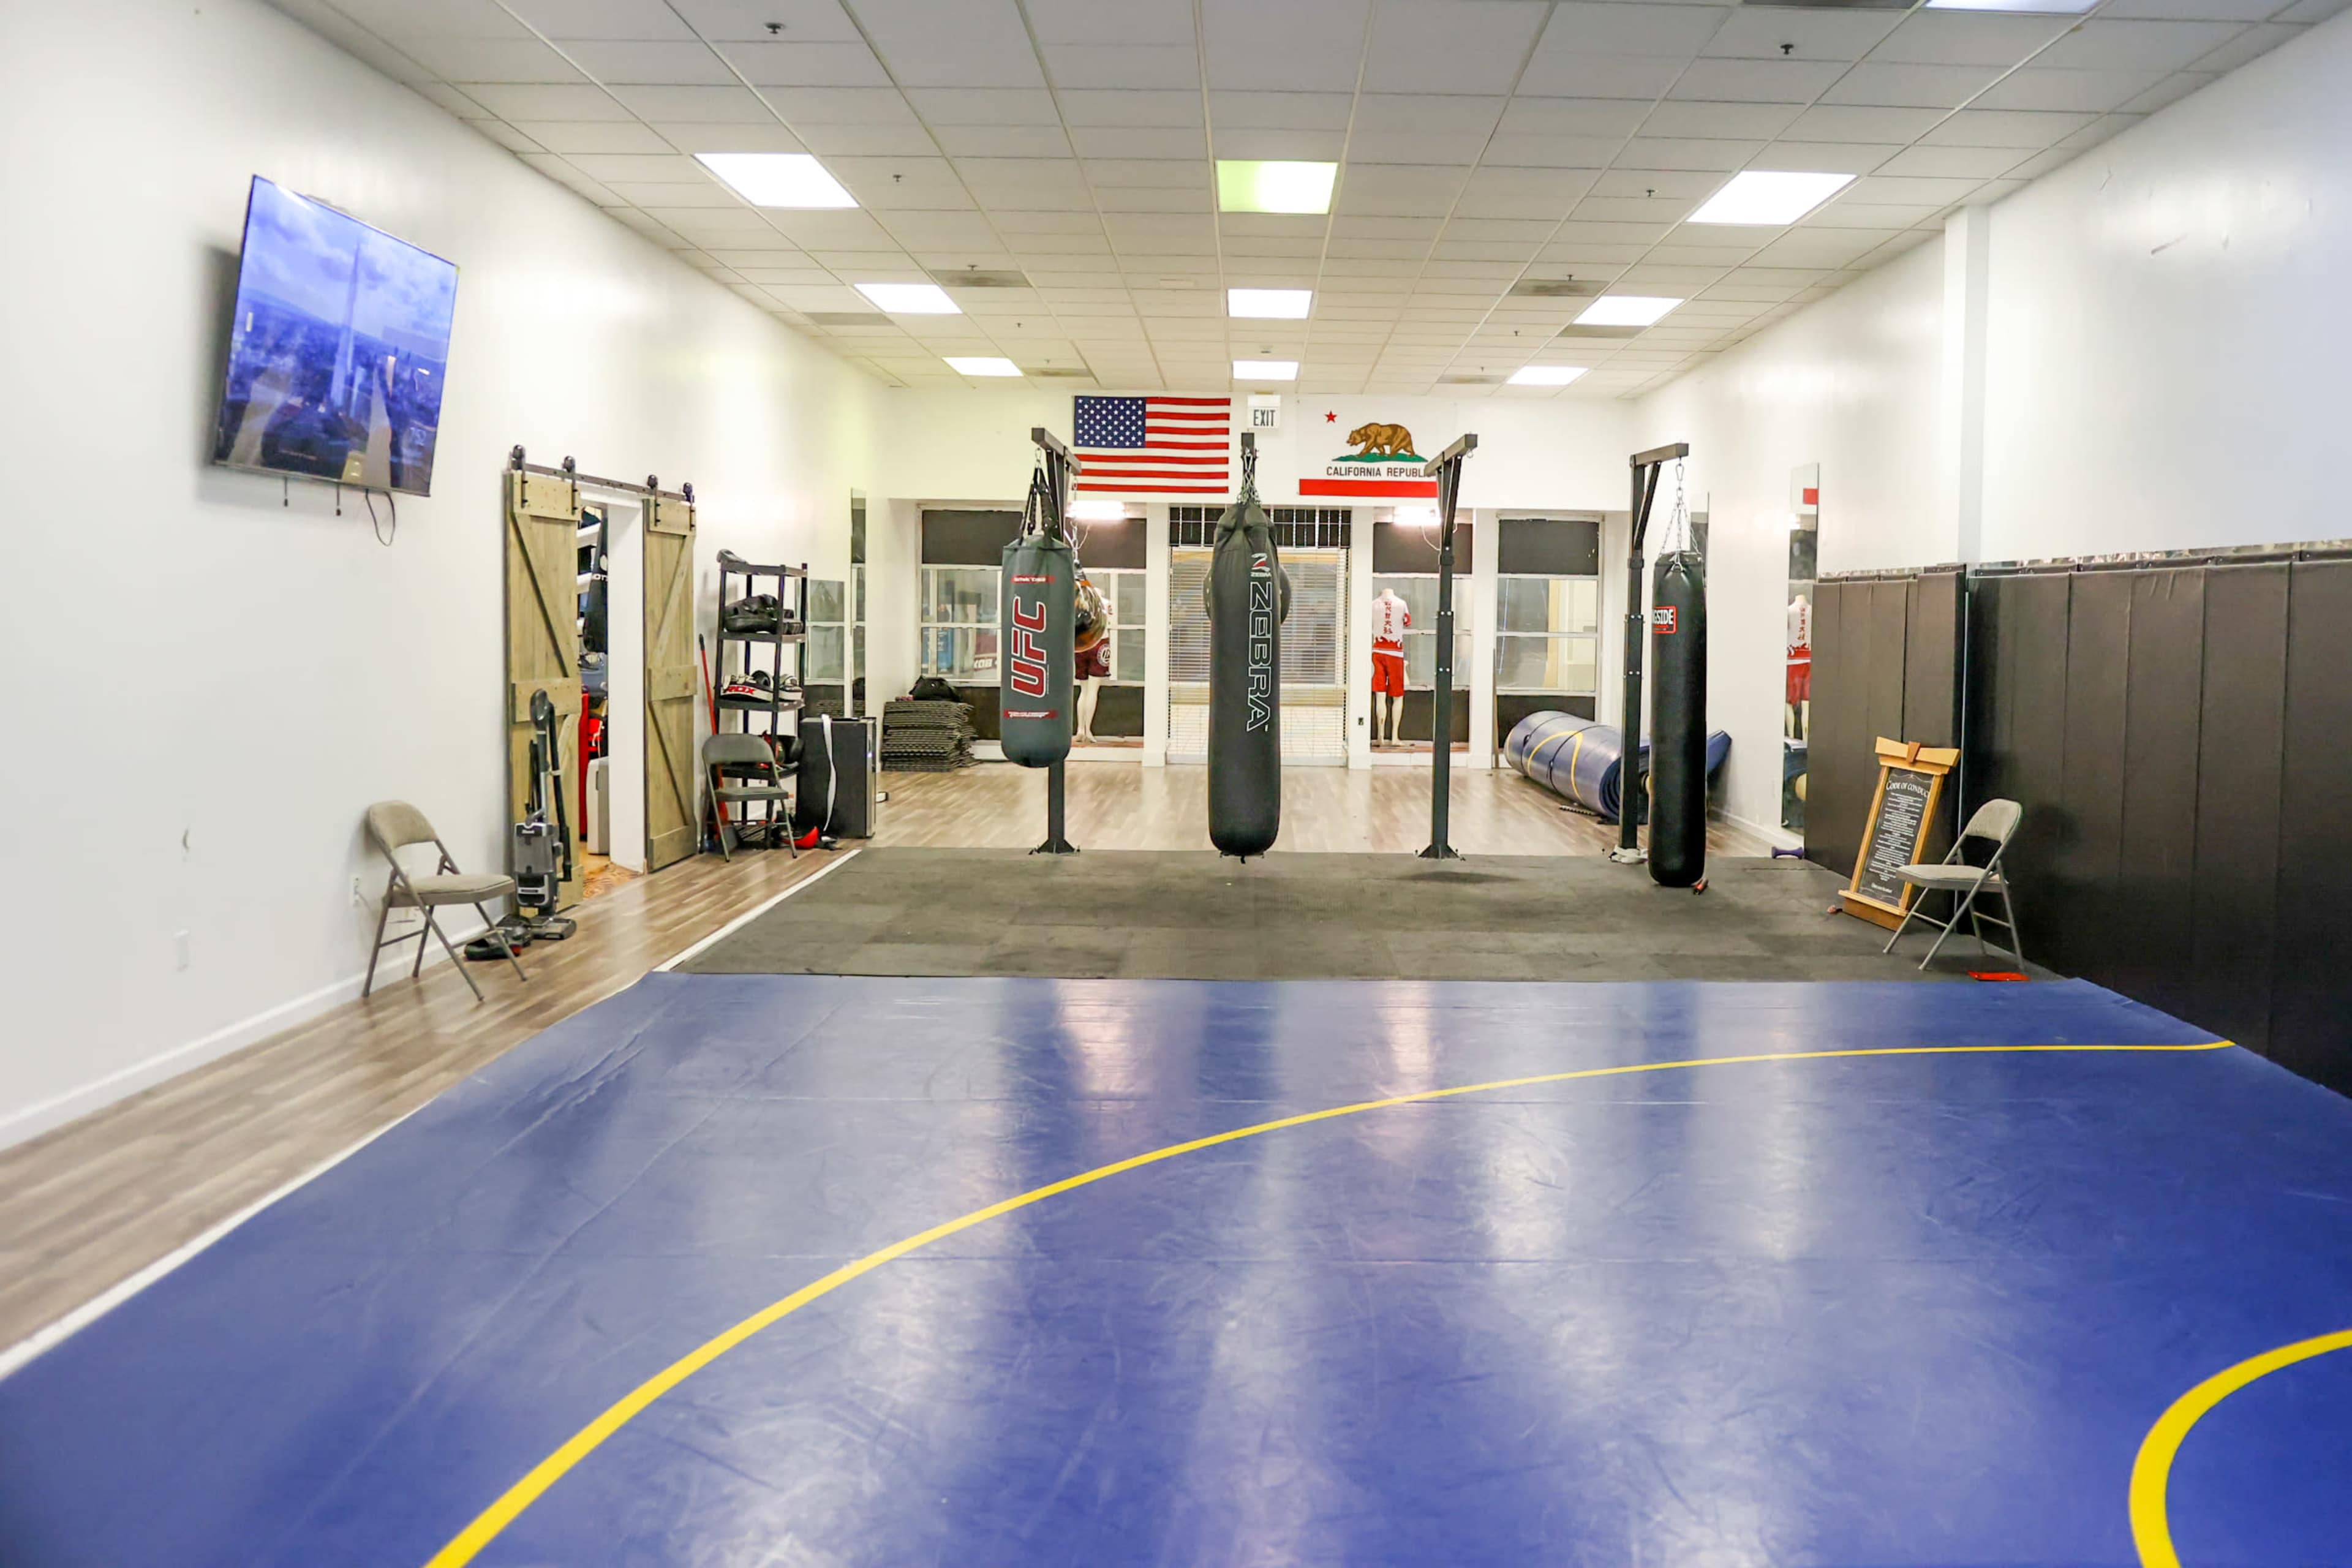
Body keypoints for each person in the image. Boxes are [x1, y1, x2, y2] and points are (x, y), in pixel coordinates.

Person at [1370, 587, 1409, 747]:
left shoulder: (1373, 605)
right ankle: (1394, 737)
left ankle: (1380, 735)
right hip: (1396, 653)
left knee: (1380, 695)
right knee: (1397, 696)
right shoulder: (1402, 604)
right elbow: (1407, 621)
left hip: (1377, 651)